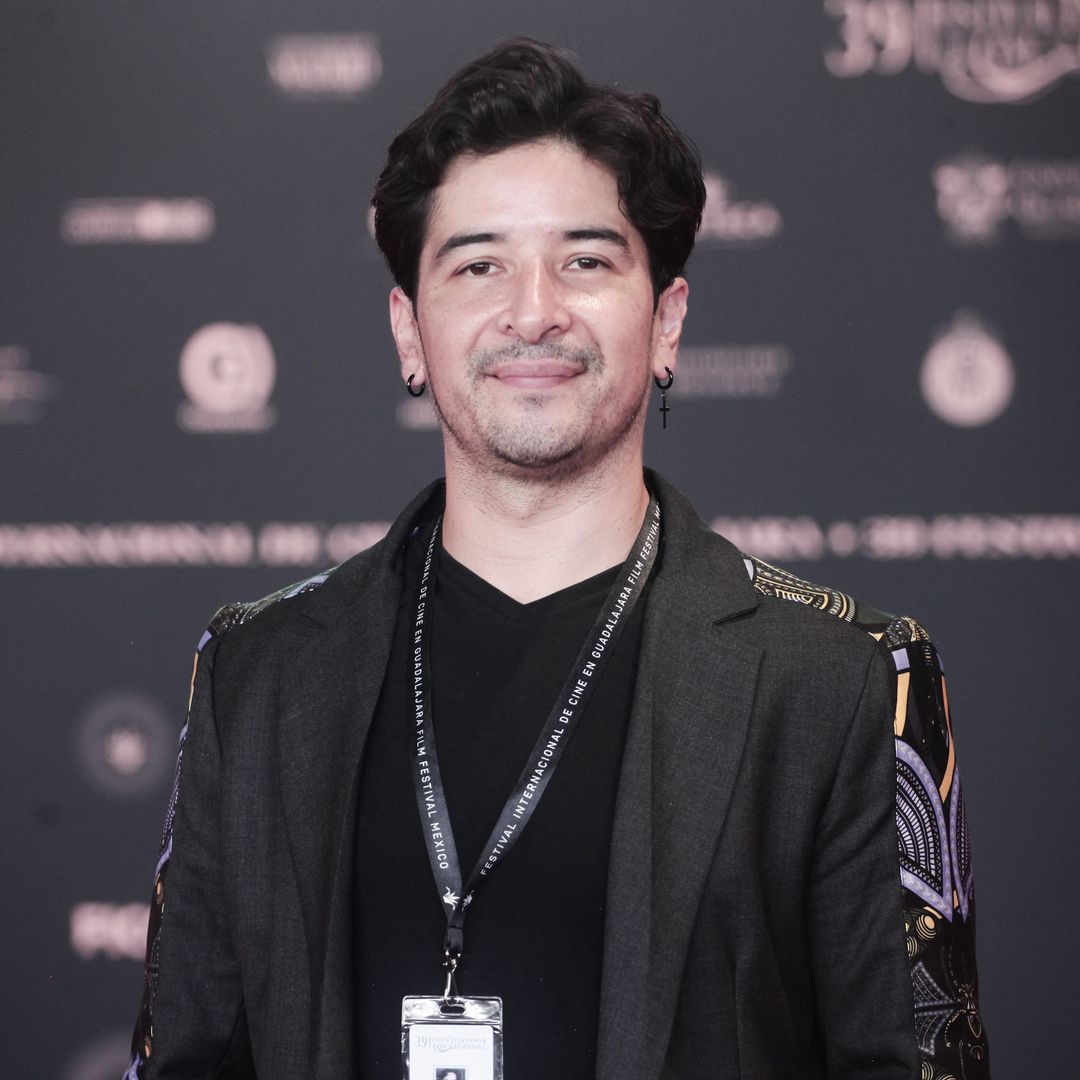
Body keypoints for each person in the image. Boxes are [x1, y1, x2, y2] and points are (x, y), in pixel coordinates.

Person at [125, 38, 988, 1080]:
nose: (532, 310)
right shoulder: (256, 674)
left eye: (586, 260)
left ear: (666, 321)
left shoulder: (845, 681)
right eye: (478, 264)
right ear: (410, 330)